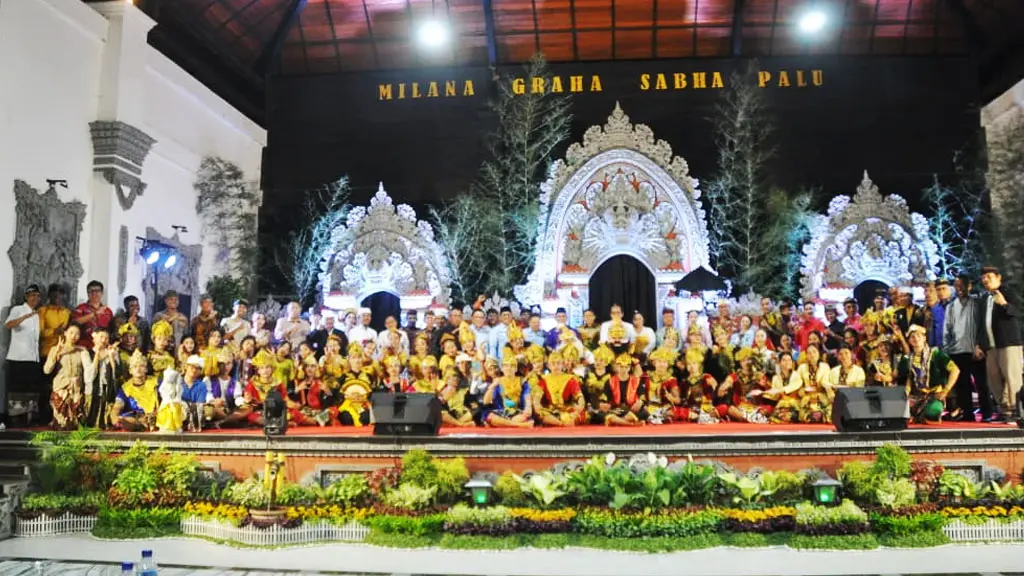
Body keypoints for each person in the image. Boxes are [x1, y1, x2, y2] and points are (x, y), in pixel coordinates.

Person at [977, 266, 1022, 422]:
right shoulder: (984, 299)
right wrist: (979, 344)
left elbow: (1018, 312)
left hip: (1008, 342)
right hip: (991, 345)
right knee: (994, 378)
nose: (985, 280)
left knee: (1012, 376)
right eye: (983, 278)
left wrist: (1004, 304)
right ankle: (1004, 410)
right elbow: (981, 323)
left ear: (998, 277)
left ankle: (1017, 410)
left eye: (989, 277)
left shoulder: (1008, 292)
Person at [944, 274, 992, 421]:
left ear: (969, 286)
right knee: (963, 386)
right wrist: (947, 349)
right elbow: (947, 329)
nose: (959, 289)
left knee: (981, 384)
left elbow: (983, 327)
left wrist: (981, 346)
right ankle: (968, 414)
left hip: (975, 350)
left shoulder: (977, 303)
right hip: (957, 351)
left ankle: (987, 414)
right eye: (957, 286)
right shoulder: (951, 306)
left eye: (962, 285)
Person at [905, 324, 960, 423]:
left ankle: (922, 415)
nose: (915, 338)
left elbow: (955, 370)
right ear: (909, 341)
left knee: (932, 413)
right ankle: (917, 415)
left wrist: (946, 390)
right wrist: (905, 393)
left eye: (918, 335)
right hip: (917, 396)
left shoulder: (936, 354)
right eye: (912, 336)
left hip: (934, 395)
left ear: (924, 338)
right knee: (899, 412)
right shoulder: (909, 358)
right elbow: (909, 377)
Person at [4, 284, 41, 427]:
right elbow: (9, 325)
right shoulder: (18, 309)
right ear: (26, 296)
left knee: (30, 389)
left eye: (37, 296)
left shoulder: (37, 314)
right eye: (32, 295)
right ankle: (15, 420)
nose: (35, 298)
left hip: (33, 357)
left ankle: (28, 418)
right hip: (18, 358)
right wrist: (24, 317)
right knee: (17, 391)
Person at [42, 325, 92, 430]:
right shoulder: (55, 349)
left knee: (74, 422)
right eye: (71, 332)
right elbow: (47, 370)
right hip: (61, 388)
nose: (74, 336)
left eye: (77, 334)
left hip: (76, 389)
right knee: (61, 422)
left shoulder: (82, 350)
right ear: (65, 333)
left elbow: (88, 370)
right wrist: (57, 353)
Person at [534, 349, 587, 427]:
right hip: (551, 410)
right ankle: (560, 423)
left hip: (567, 410)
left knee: (579, 415)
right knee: (540, 414)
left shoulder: (570, 379)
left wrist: (579, 407)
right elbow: (537, 397)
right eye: (553, 364)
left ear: (563, 364)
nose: (556, 366)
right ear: (548, 366)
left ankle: (557, 422)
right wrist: (537, 405)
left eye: (558, 363)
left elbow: (580, 397)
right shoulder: (543, 379)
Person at [482, 354, 534, 428]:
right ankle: (521, 425)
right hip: (502, 412)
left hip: (517, 411)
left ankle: (504, 424)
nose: (508, 368)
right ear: (502, 368)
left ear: (516, 368)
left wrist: (528, 407)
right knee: (490, 416)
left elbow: (527, 397)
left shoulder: (522, 381)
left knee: (523, 417)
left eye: (512, 366)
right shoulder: (498, 381)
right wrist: (492, 387)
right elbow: (486, 402)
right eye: (506, 366)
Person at [112, 350, 159, 431]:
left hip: (155, 416)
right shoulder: (126, 388)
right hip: (135, 418)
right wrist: (115, 417)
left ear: (146, 369)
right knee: (124, 419)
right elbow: (117, 407)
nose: (138, 369)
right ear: (130, 370)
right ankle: (140, 424)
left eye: (141, 366)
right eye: (135, 366)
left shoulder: (156, 382)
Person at [85, 328, 120, 429]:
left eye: (106, 338)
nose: (104, 340)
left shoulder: (113, 352)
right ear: (94, 336)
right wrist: (97, 354)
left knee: (105, 412)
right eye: (101, 337)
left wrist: (112, 358)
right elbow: (89, 375)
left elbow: (117, 373)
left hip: (107, 388)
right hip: (93, 389)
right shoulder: (86, 352)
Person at [71, 280, 113, 349]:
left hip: (103, 347)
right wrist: (94, 314)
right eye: (90, 291)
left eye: (97, 291)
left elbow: (111, 329)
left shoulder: (107, 311)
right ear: (87, 293)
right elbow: (74, 322)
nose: (94, 293)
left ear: (102, 293)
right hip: (84, 346)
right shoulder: (81, 308)